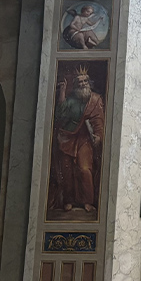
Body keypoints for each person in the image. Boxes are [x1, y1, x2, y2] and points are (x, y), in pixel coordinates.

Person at [49, 66, 105, 216]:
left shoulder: (95, 99)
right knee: (66, 170)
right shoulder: (71, 99)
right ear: (75, 85)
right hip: (67, 137)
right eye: (79, 82)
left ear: (89, 83)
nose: (82, 84)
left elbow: (98, 120)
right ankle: (69, 200)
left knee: (84, 168)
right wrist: (62, 92)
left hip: (84, 138)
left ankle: (87, 201)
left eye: (84, 81)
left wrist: (98, 136)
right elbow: (60, 113)